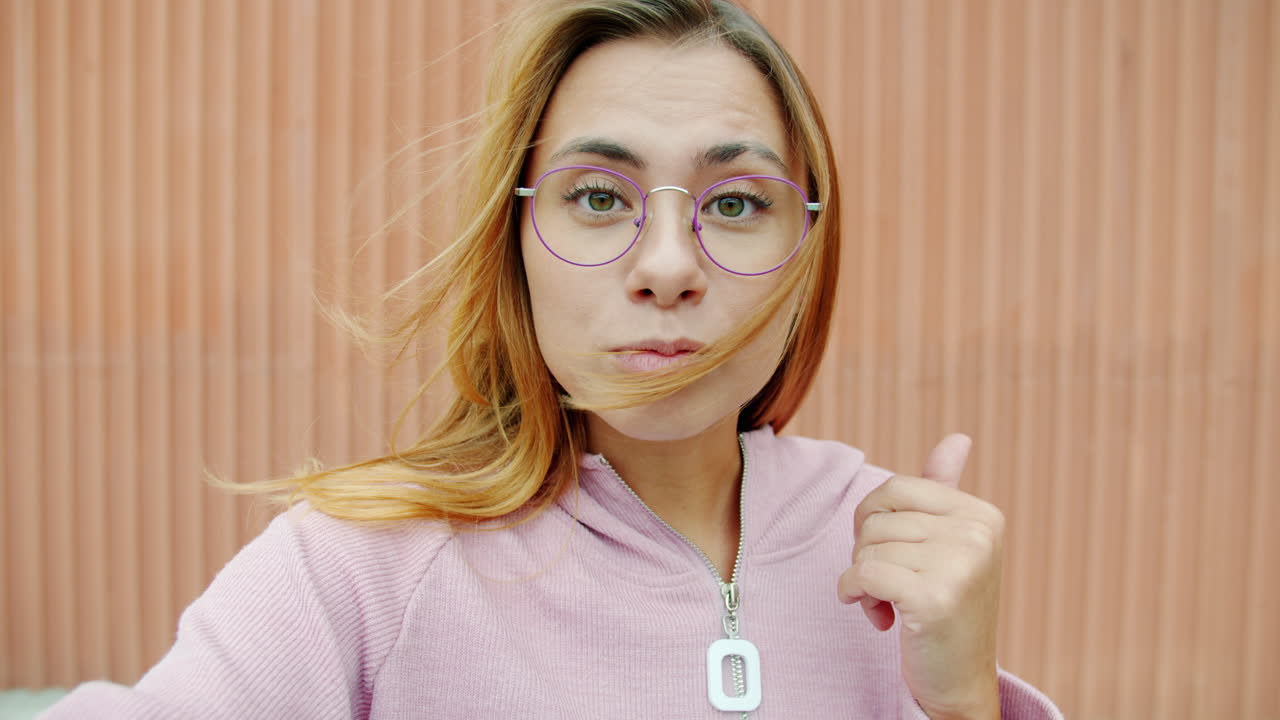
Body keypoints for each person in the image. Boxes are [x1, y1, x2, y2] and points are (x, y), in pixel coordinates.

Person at [44, 0, 1063, 717]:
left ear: (805, 253)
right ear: (514, 243)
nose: (666, 267)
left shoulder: (889, 560)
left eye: (737, 203)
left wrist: (963, 703)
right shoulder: (359, 570)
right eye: (598, 196)